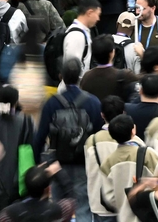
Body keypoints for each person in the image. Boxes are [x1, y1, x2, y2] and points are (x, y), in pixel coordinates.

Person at [34, 57, 102, 222]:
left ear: (61, 76)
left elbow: (40, 137)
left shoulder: (51, 103)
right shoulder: (93, 102)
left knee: (59, 208)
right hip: (84, 163)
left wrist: (39, 163)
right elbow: (99, 135)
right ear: (80, 75)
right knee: (83, 206)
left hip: (58, 163)